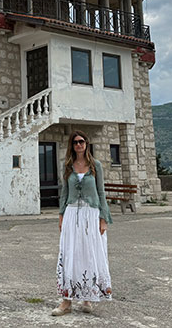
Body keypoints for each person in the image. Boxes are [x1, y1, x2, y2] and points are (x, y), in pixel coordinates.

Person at [52, 130, 113, 316]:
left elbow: (101, 192)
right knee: (70, 254)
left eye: (82, 141)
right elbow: (64, 192)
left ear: (86, 144)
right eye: (76, 142)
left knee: (89, 254)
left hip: (91, 214)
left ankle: (88, 298)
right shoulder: (68, 166)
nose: (79, 145)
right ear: (72, 145)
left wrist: (104, 218)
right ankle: (66, 301)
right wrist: (61, 215)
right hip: (71, 213)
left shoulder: (96, 166)